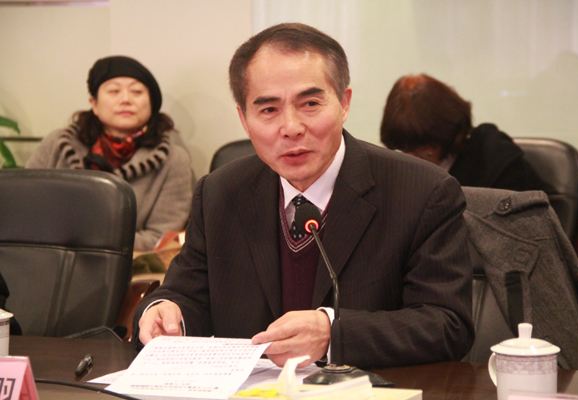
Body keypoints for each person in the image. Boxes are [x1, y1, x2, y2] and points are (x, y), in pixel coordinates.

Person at [133, 23, 474, 369]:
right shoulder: (219, 192)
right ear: (244, 119)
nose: (292, 128)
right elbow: (185, 295)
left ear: (344, 103)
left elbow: (448, 324)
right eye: (268, 110)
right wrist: (164, 313)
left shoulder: (422, 191)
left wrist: (334, 334)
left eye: (310, 103)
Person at [26, 56, 193, 251]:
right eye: (114, 91)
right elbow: (27, 207)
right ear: (94, 103)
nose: (126, 99)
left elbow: (161, 238)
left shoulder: (173, 159)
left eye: (137, 92)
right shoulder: (57, 143)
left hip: (131, 264)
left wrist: (88, 239)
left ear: (151, 103)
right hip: (49, 256)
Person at [380, 73, 548, 192]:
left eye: (426, 150)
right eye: (405, 150)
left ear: (451, 135)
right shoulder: (401, 172)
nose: (414, 159)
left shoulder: (496, 163)